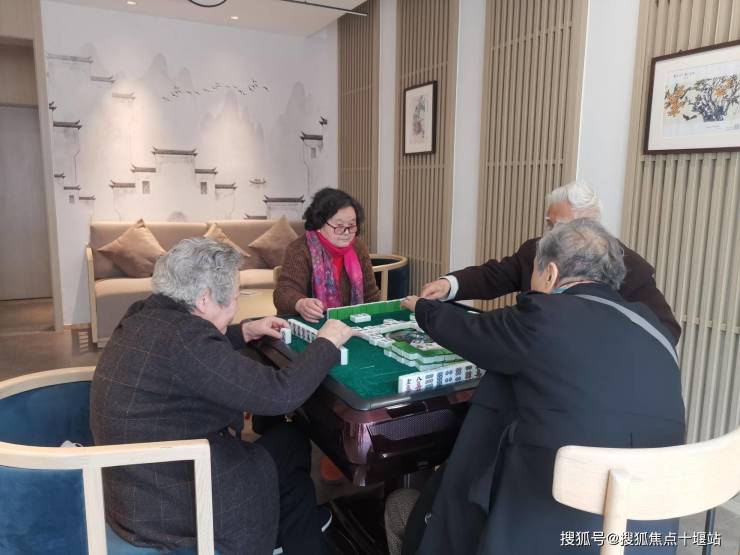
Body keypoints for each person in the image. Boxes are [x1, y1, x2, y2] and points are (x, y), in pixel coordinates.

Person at [392, 219, 685, 554]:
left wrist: (422, 309)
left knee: (434, 492)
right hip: (647, 531)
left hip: (549, 527)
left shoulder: (544, 315)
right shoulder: (655, 329)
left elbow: (473, 331)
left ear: (550, 274)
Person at [91, 237, 356, 555]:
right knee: (291, 441)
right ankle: (290, 532)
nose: (236, 308)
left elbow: (191, 359)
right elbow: (280, 394)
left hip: (135, 492)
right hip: (176, 505)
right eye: (233, 298)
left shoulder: (144, 314)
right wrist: (327, 342)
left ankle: (296, 531)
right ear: (204, 299)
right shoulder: (187, 339)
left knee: (292, 475)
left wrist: (244, 331)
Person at [420, 180, 682, 344]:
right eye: (549, 224)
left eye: (559, 227)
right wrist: (449, 284)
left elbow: (666, 329)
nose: (550, 234)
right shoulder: (537, 250)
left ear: (590, 227)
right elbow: (496, 275)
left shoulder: (630, 266)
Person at [274, 187, 381, 322]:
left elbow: (370, 295)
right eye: (339, 226)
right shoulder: (300, 249)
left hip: (351, 322)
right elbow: (283, 292)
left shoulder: (358, 247)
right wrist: (300, 303)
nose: (347, 233)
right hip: (309, 324)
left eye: (351, 225)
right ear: (319, 223)